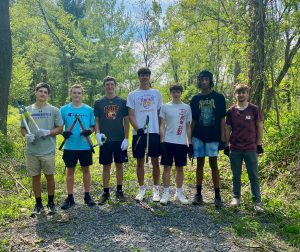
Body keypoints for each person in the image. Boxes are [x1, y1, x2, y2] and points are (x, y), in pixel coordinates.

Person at [20, 83, 63, 215]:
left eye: (45, 92)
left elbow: (60, 129)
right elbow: (22, 128)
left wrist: (48, 132)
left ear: (48, 95)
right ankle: (38, 205)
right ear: (35, 93)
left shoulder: (54, 110)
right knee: (35, 178)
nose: (42, 94)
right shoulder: (26, 110)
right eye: (40, 91)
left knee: (50, 176)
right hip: (32, 151)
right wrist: (27, 135)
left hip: (47, 150)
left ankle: (51, 203)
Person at [224, 84, 264, 212]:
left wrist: (259, 144)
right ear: (235, 94)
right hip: (235, 148)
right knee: (236, 175)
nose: (241, 95)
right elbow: (228, 129)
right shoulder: (230, 111)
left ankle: (257, 202)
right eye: (238, 92)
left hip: (250, 148)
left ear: (247, 94)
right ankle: (236, 197)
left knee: (254, 176)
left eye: (243, 92)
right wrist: (226, 145)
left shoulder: (254, 109)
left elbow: (260, 127)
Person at [190, 70, 226, 208]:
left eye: (206, 79)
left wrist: (223, 139)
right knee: (199, 164)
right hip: (198, 136)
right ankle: (198, 194)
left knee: (214, 164)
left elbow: (223, 119)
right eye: (201, 79)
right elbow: (192, 120)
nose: (204, 82)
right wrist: (190, 141)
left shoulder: (219, 97)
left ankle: (217, 196)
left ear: (210, 80)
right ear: (199, 81)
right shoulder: (195, 99)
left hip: (213, 136)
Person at [127, 67, 162, 202]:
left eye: (147, 75)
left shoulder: (156, 93)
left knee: (155, 161)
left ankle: (155, 189)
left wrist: (159, 130)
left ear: (149, 76)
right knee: (140, 161)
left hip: (154, 132)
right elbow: (130, 115)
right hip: (139, 133)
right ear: (139, 77)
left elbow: (160, 114)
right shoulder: (132, 95)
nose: (144, 77)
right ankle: (141, 188)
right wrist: (138, 128)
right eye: (142, 75)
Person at [94, 76, 129, 205]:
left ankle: (119, 191)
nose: (109, 86)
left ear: (115, 86)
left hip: (119, 139)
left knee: (119, 165)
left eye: (112, 84)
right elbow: (96, 120)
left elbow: (126, 120)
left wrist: (126, 138)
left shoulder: (122, 102)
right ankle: (106, 192)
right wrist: (97, 133)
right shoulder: (98, 103)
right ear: (104, 86)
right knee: (106, 166)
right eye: (107, 84)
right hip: (105, 140)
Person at [60, 84, 96, 210]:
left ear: (82, 94)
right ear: (71, 94)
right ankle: (70, 197)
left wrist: (89, 131)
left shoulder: (89, 110)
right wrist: (62, 133)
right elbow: (60, 127)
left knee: (86, 171)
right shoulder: (64, 109)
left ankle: (87, 196)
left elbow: (93, 126)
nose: (76, 95)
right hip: (70, 146)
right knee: (70, 172)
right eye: (74, 92)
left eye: (79, 93)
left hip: (85, 146)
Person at [159, 84, 193, 205]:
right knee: (167, 168)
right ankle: (166, 192)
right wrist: (162, 141)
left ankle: (179, 192)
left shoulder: (187, 108)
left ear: (181, 93)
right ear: (171, 93)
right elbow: (162, 124)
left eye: (178, 92)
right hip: (168, 141)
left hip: (181, 143)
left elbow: (188, 126)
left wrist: (190, 143)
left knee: (180, 168)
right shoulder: (165, 107)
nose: (176, 94)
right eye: (174, 92)